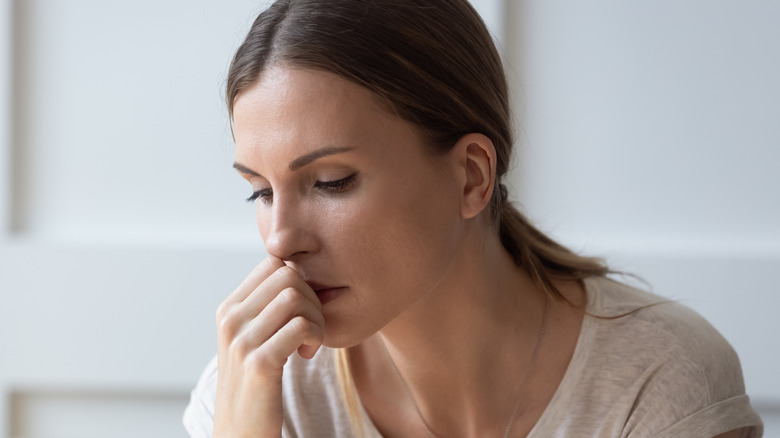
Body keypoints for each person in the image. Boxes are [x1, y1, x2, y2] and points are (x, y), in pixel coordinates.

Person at [183, 0, 764, 436]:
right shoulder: (255, 387)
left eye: (332, 182)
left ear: (471, 176)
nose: (281, 238)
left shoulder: (658, 384)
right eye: (258, 192)